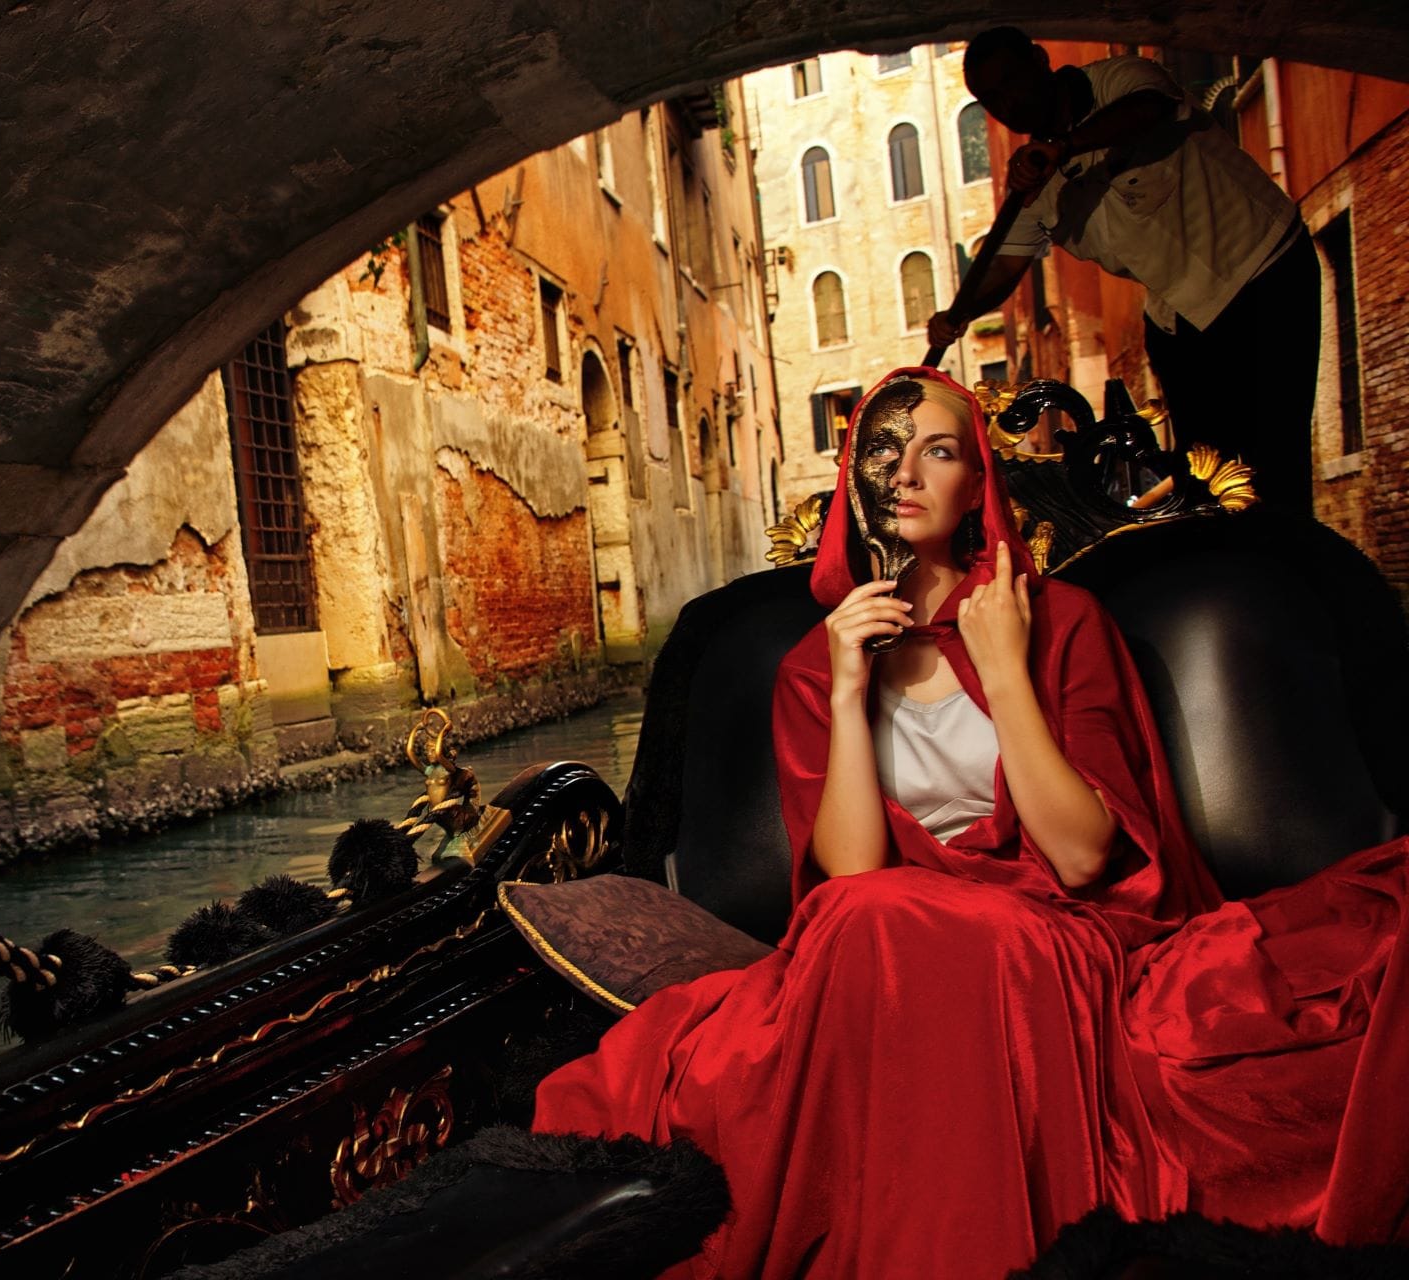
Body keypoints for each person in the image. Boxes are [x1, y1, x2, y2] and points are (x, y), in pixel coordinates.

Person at [532, 368, 1409, 1279]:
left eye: (938, 450)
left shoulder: (1060, 623)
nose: (905, 472)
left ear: (975, 484)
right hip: (887, 952)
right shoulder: (812, 666)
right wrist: (843, 689)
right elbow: (853, 875)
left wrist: (1007, 670)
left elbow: (1080, 855)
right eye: (883, 448)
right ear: (854, 480)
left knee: (883, 924)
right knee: (867, 920)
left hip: (1056, 940)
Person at [928, 28, 1320, 515]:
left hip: (1262, 266)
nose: (1007, 102)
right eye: (991, 98)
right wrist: (959, 312)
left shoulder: (1119, 80)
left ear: (1039, 60)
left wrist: (1066, 146)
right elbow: (1005, 266)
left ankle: (1300, 566)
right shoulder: (1035, 183)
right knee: (1208, 476)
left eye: (1012, 82)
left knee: (1274, 456)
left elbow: (1150, 108)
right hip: (1182, 314)